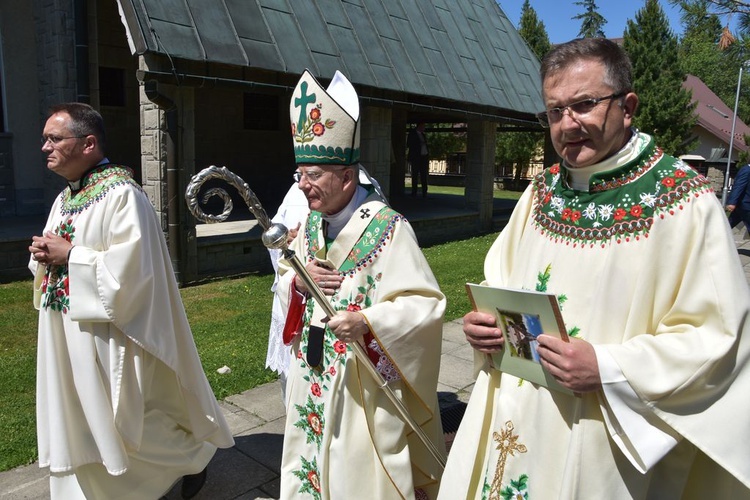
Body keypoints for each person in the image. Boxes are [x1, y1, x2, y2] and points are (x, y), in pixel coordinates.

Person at [439, 38, 750, 499]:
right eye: (554, 111)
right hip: (516, 416)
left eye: (584, 105)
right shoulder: (539, 193)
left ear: (627, 107)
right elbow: (500, 284)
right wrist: (481, 324)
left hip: (604, 430)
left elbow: (718, 342)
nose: (568, 124)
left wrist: (608, 367)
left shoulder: (683, 203)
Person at [29, 103, 234, 499]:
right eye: (44, 140)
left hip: (107, 332)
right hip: (66, 330)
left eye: (54, 139)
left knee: (112, 418)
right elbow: (57, 254)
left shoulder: (122, 195)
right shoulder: (65, 198)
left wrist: (71, 256)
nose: (44, 147)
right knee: (76, 416)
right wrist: (44, 253)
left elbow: (135, 273)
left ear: (88, 144)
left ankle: (191, 456)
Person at [277, 69, 447, 499]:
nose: (302, 185)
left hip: (361, 382)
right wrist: (297, 280)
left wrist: (367, 322)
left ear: (348, 177)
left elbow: (424, 304)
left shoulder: (390, 230)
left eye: (313, 174)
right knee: (308, 460)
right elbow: (285, 283)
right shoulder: (309, 225)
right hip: (312, 372)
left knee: (355, 471)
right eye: (300, 173)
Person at [407, 122, 430, 197]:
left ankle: (424, 192)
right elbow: (409, 144)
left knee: (424, 175)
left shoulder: (423, 135)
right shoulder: (413, 134)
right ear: (419, 126)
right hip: (416, 157)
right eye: (423, 126)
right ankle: (414, 192)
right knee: (415, 175)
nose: (424, 128)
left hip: (423, 157)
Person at [726, 163, 750, 234]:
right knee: (727, 225)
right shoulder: (747, 170)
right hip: (745, 205)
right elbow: (738, 186)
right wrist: (732, 202)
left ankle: (713, 238)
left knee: (727, 225)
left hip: (742, 206)